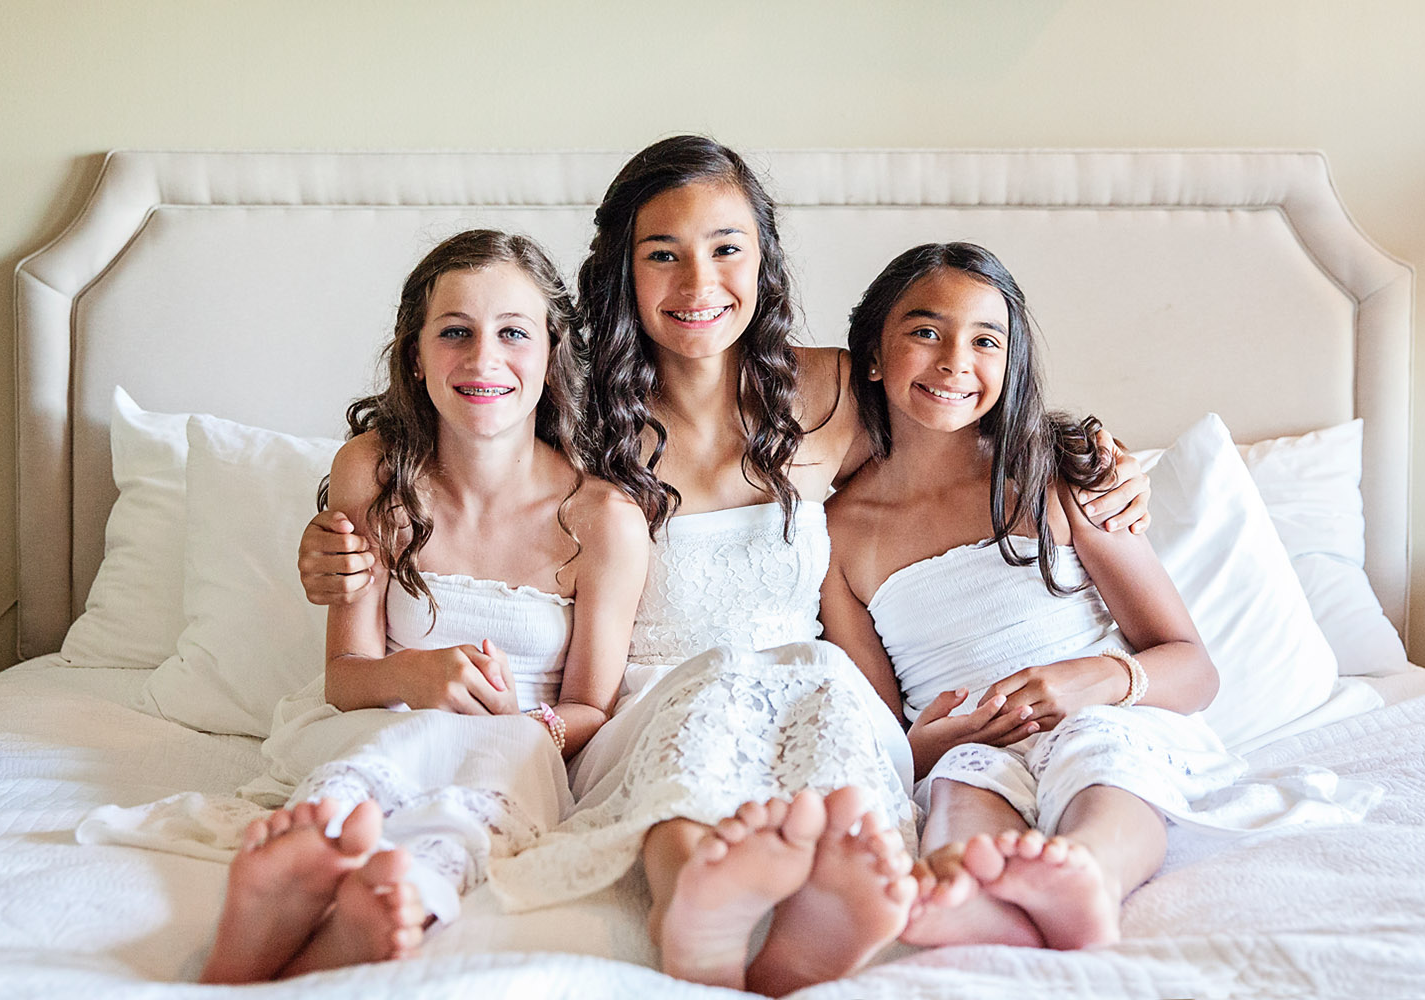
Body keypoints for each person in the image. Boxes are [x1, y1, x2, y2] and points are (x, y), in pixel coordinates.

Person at [293, 138, 1152, 993]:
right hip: (642, 704)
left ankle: (820, 909)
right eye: (661, 254)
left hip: (811, 681)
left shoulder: (839, 394)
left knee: (833, 730)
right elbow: (455, 463)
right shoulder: (576, 415)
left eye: (725, 249)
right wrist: (328, 539)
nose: (698, 284)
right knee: (693, 746)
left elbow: (966, 411)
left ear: (764, 260)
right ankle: (691, 910)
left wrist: (1089, 454)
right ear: (622, 271)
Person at [818, 241, 1317, 952]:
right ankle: (964, 887)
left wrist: (1095, 681)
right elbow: (877, 732)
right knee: (964, 784)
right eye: (925, 332)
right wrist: (925, 746)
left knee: (1099, 758)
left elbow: (1194, 670)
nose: (955, 360)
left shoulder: (1056, 476)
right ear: (871, 354)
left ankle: (1090, 872)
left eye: (985, 340)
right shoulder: (835, 535)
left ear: (1009, 361)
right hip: (973, 738)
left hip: (1108, 712)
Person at [200, 229, 649, 983]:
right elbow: (346, 677)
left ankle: (397, 891)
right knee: (372, 762)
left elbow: (589, 712)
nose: (482, 360)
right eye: (454, 333)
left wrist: (519, 721)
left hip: (515, 745)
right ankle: (304, 871)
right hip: (381, 722)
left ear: (549, 351)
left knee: (492, 769)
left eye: (512, 333)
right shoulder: (375, 472)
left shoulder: (601, 518)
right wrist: (412, 680)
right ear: (415, 353)